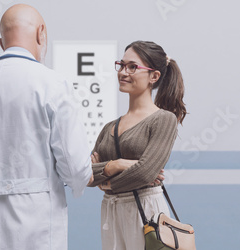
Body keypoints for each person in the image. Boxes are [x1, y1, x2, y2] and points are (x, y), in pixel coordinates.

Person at [0, 4, 93, 250]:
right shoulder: (53, 85)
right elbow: (76, 168)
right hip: (35, 228)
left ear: (2, 42)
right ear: (41, 33)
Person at [89, 40, 186, 249]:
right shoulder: (109, 127)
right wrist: (117, 165)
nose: (123, 72)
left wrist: (106, 182)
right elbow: (86, 173)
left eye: (132, 66)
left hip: (146, 211)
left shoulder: (163, 119)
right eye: (121, 65)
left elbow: (145, 173)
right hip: (110, 211)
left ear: (154, 76)